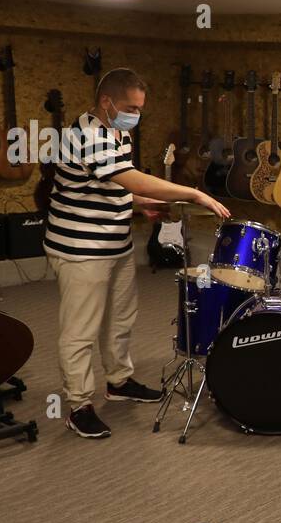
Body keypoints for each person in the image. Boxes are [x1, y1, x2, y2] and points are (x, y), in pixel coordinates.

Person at [45, 67, 230, 438]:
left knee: (120, 318)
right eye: (131, 106)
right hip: (81, 247)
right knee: (80, 330)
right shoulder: (85, 134)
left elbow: (114, 185)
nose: (136, 114)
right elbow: (129, 177)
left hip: (116, 242)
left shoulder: (119, 133)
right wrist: (192, 193)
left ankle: (118, 381)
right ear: (106, 102)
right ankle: (79, 405)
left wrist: (139, 204)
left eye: (141, 108)